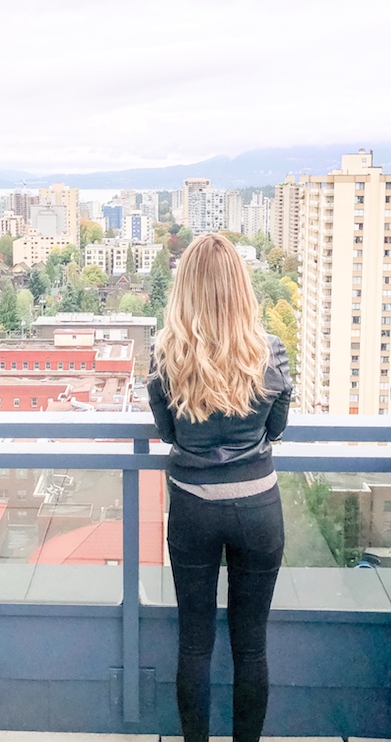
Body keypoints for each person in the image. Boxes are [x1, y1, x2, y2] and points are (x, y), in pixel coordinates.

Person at [147, 233, 292, 742]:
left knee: (194, 644)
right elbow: (276, 431)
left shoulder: (166, 354)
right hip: (258, 507)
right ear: (241, 287)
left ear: (185, 287)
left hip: (192, 508)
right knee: (251, 646)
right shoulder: (269, 352)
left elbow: (167, 432)